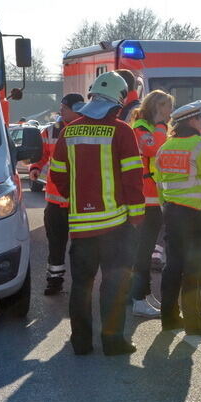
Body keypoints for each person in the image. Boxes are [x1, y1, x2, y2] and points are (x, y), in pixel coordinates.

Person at [49, 71, 145, 356]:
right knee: (113, 286)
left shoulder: (69, 131)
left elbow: (58, 175)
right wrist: (137, 218)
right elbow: (133, 179)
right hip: (116, 226)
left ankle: (81, 343)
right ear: (118, 102)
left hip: (81, 227)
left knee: (81, 286)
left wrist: (76, 201)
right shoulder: (121, 130)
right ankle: (113, 342)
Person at [155, 100, 201, 333]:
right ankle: (195, 320)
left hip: (172, 213)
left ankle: (169, 317)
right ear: (192, 121)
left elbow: (158, 183)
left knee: (173, 266)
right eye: (200, 118)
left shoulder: (165, 148)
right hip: (196, 215)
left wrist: (167, 206)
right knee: (195, 269)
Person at [29, 93, 85, 296]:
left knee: (80, 245)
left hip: (79, 199)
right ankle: (54, 280)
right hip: (55, 198)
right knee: (56, 243)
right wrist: (36, 166)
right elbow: (41, 153)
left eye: (64, 107)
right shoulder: (50, 131)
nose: (60, 111)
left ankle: (82, 282)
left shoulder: (85, 129)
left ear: (76, 109)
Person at [129, 90, 173, 318]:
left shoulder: (150, 128)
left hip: (152, 198)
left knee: (144, 250)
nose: (170, 111)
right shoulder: (144, 128)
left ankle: (143, 294)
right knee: (142, 251)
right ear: (157, 106)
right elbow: (153, 149)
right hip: (145, 199)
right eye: (167, 106)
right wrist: (161, 126)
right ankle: (138, 298)